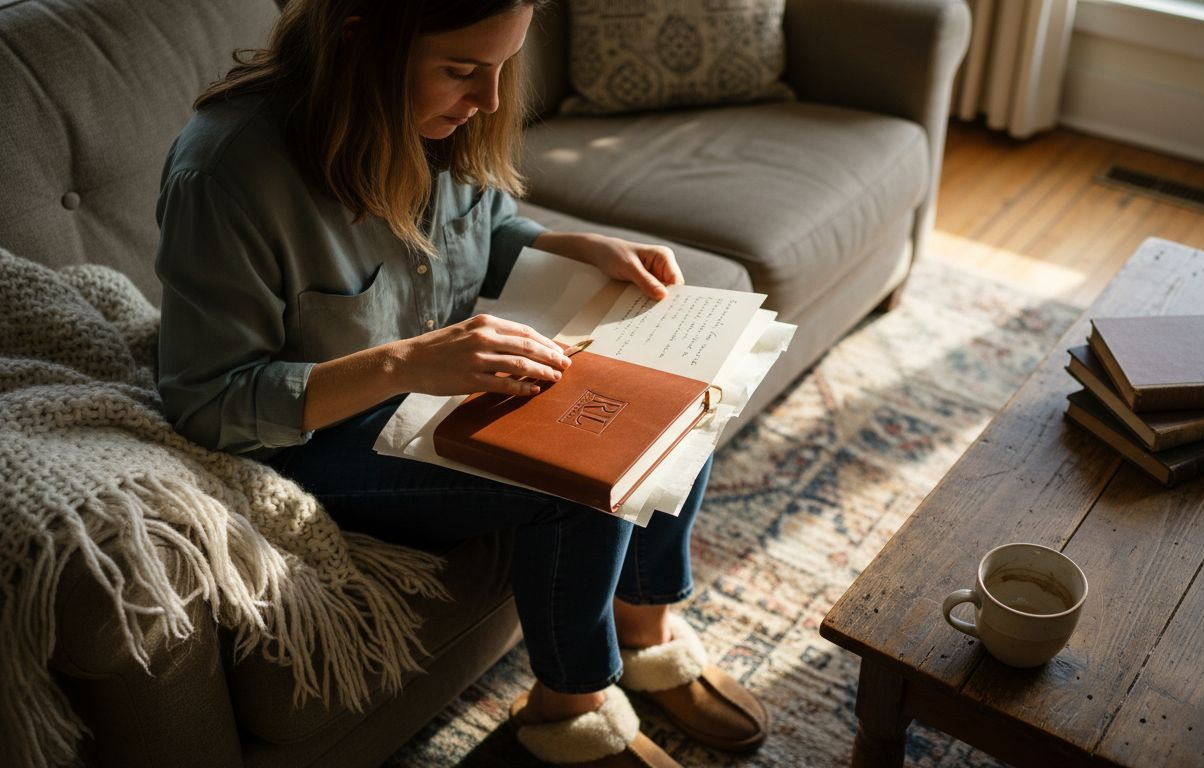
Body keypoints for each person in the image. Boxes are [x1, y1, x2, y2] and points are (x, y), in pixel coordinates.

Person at [154, 0, 768, 765]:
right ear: (360, 38)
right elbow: (207, 403)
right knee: (577, 477)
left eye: (504, 66)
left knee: (672, 389)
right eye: (463, 70)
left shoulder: (439, 118)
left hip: (432, 390)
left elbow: (476, 233)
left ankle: (646, 632)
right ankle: (570, 713)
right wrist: (406, 363)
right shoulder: (226, 174)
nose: (491, 99)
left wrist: (567, 247)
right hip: (310, 441)